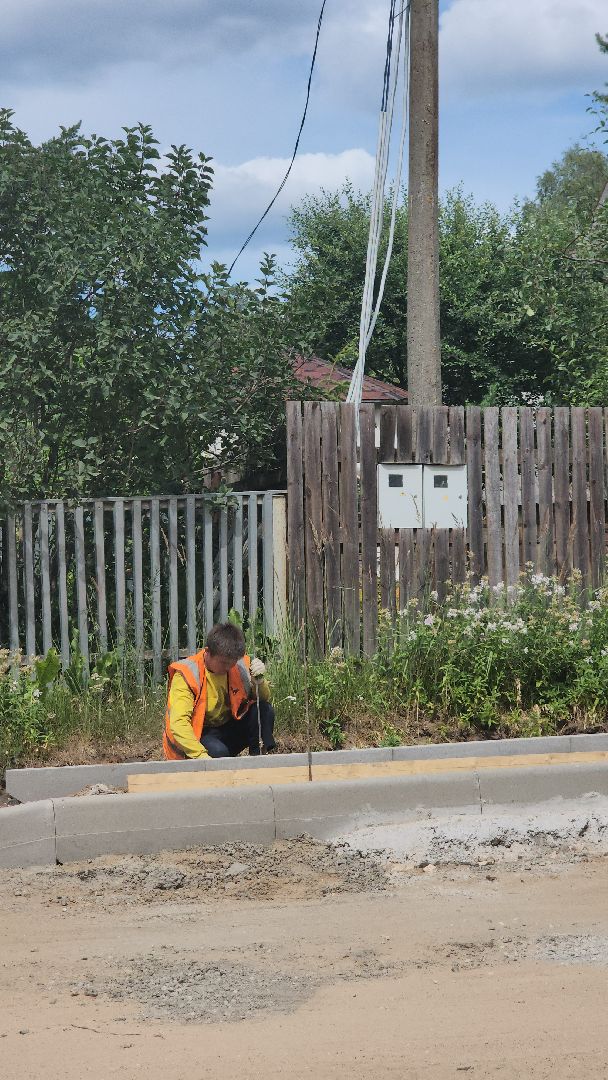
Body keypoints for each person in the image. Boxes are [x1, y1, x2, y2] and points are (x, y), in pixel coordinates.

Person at [163, 622, 276, 760]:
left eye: (232, 662)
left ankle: (258, 762)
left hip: (228, 727)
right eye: (223, 662)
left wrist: (259, 681)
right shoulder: (187, 674)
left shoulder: (240, 665)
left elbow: (262, 699)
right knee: (218, 752)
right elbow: (179, 724)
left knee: (265, 710)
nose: (229, 667)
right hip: (200, 735)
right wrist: (201, 756)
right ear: (208, 651)